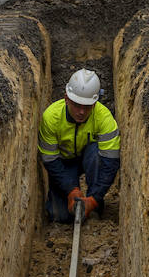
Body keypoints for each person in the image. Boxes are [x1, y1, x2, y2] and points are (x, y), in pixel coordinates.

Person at [37, 69, 120, 222]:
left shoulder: (104, 119)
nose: (81, 111)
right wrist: (71, 189)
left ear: (95, 103)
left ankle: (94, 206)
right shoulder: (51, 117)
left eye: (87, 106)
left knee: (97, 155)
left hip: (89, 158)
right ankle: (71, 198)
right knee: (60, 215)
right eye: (76, 105)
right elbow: (50, 160)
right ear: (66, 98)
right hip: (63, 162)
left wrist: (94, 198)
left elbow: (110, 163)